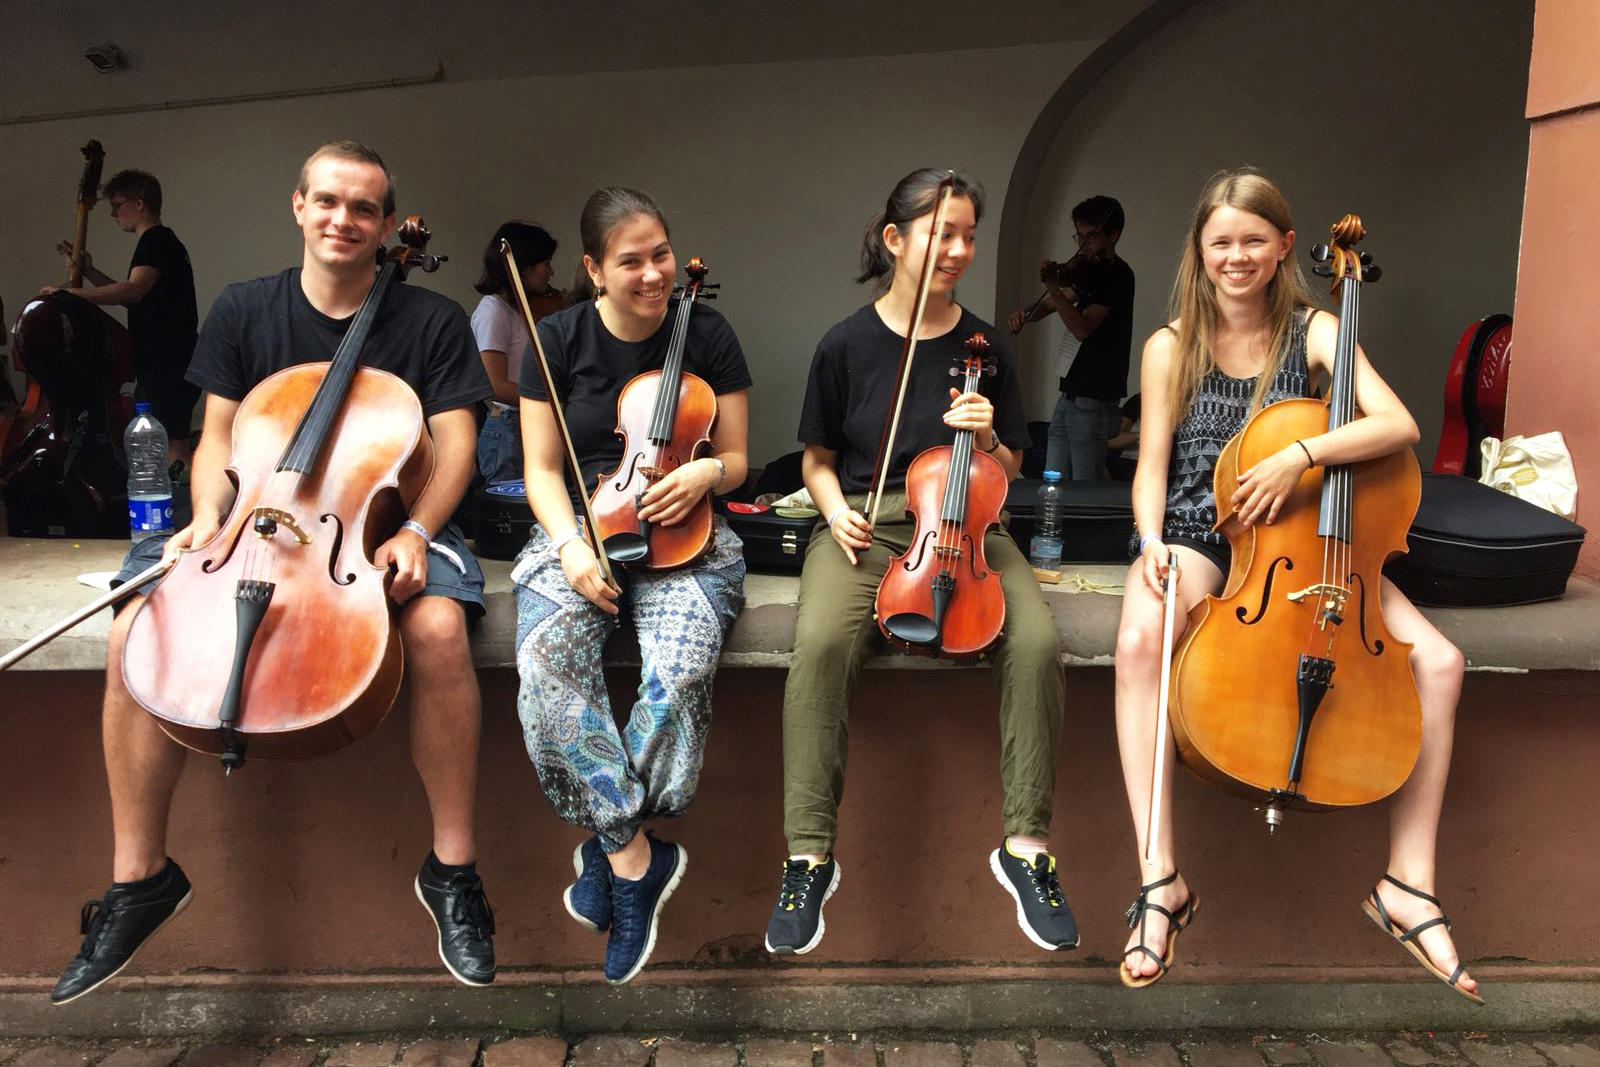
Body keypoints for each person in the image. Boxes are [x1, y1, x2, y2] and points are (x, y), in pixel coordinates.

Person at [49, 141, 498, 1005]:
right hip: (245, 517)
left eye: (364, 208)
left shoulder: (432, 320)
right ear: (299, 205)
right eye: (328, 201)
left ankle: (453, 871)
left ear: (385, 225)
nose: (344, 220)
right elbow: (219, 435)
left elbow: (457, 448)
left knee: (440, 630)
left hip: (379, 525)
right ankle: (138, 877)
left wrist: (416, 530)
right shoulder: (244, 309)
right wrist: (210, 517)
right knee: (131, 633)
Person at [1112, 169, 1478, 1002]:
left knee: (1443, 664)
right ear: (1199, 252)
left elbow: (1398, 423)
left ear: (1283, 248)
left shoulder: (1315, 331)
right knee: (1140, 641)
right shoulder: (1171, 344)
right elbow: (1154, 467)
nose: (1235, 257)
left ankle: (1407, 884)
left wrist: (1301, 453)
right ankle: (1158, 879)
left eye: (1252, 241)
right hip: (1205, 535)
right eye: (1220, 243)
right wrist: (1148, 541)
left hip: (1309, 543)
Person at [765, 168, 1075, 959]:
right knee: (824, 648)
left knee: (1036, 642)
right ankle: (808, 856)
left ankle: (1027, 847)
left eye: (969, 235)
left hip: (970, 518)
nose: (960, 250)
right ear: (897, 240)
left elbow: (1010, 459)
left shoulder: (986, 345)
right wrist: (835, 510)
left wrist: (991, 429)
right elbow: (817, 461)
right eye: (944, 233)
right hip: (870, 524)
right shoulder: (845, 343)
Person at [512, 186, 751, 985]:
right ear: (592, 268)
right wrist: (574, 546)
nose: (653, 272)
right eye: (630, 260)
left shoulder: (707, 332)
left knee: (678, 672)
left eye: (661, 253)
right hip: (584, 523)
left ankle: (609, 845)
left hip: (689, 531)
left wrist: (707, 471)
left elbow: (742, 458)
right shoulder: (554, 338)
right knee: (547, 664)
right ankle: (634, 854)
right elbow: (542, 471)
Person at [44, 169, 199, 465]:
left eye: (117, 205)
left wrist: (66, 295)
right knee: (169, 442)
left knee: (172, 448)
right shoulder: (160, 242)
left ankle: (183, 507)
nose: (114, 214)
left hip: (167, 363)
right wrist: (88, 272)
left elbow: (132, 291)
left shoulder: (156, 241)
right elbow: (137, 298)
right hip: (167, 361)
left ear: (139, 203)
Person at [1008, 196, 1135, 480]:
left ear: (1113, 235)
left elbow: (1082, 327)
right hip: (1070, 392)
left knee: (1083, 486)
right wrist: (1028, 312)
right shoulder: (1088, 271)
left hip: (1095, 394)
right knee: (1053, 479)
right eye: (1079, 235)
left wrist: (1052, 286)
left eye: (1091, 236)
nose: (1082, 244)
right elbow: (1056, 303)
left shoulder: (1117, 276)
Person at [471, 221, 562, 485]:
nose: (551, 271)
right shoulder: (493, 311)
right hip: (507, 429)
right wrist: (550, 403)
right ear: (523, 268)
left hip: (523, 425)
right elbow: (494, 385)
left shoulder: (520, 310)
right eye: (545, 263)